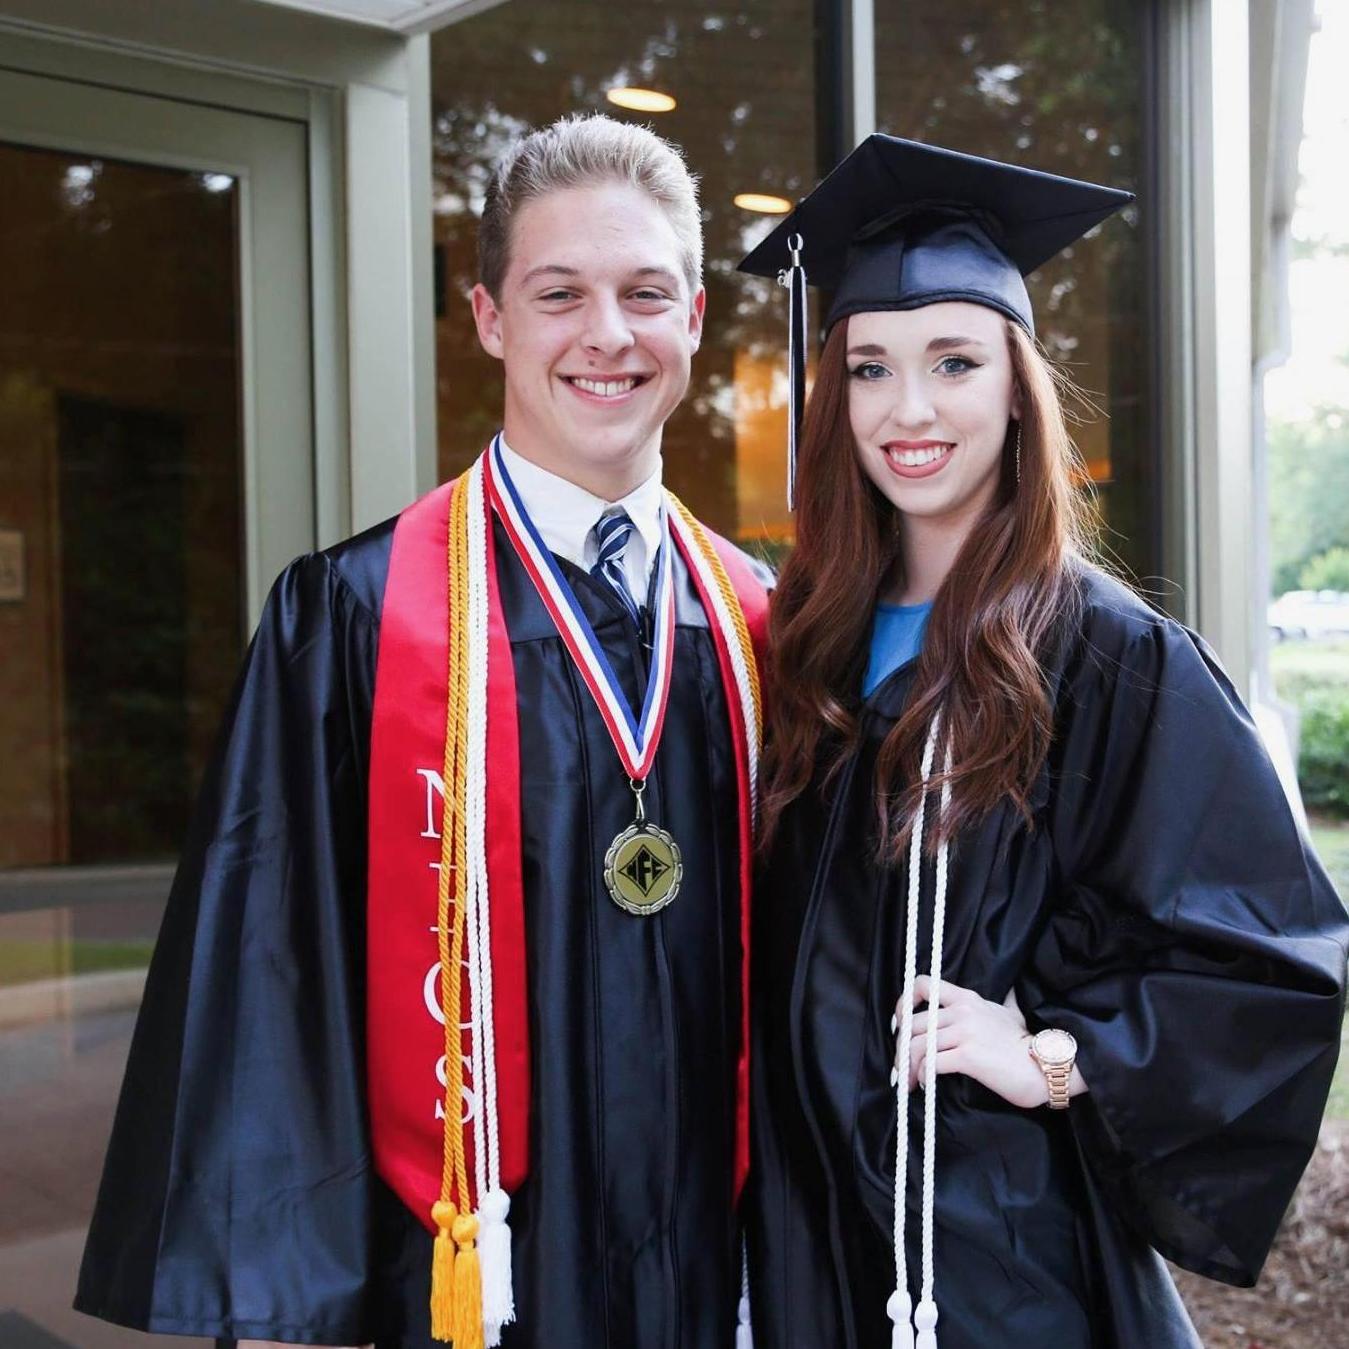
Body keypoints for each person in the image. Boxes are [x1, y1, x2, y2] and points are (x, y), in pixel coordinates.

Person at [74, 113, 769, 1349]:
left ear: (697, 318)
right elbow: (270, 981)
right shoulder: (354, 616)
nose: (606, 334)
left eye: (642, 293)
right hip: (461, 1279)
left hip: (718, 1272)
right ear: (490, 317)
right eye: (558, 294)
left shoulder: (765, 626)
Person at [738, 134, 1348, 1348]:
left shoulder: (1112, 657)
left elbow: (1265, 960)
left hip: (993, 1256)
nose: (907, 409)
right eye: (868, 368)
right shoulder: (794, 644)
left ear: (1015, 385)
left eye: (951, 361)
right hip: (806, 1244)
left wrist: (1054, 1055)